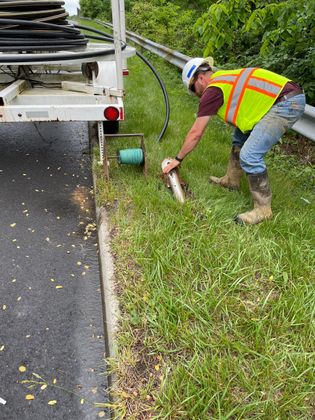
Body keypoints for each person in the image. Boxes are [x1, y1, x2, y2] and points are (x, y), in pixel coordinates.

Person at [162, 58, 306, 225]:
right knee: (239, 138)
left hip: (286, 103)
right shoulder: (222, 79)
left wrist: (178, 159)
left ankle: (263, 209)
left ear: (200, 78)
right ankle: (231, 180)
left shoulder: (213, 90)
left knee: (250, 156)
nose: (196, 95)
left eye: (193, 90)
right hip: (281, 99)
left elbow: (196, 133)